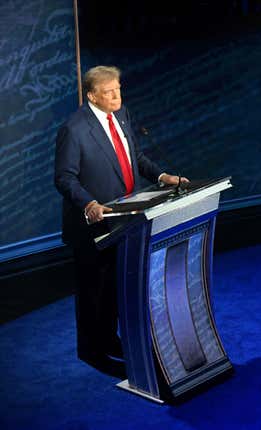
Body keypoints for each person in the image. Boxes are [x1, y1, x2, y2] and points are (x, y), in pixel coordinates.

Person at [54, 65, 186, 376]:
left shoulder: (122, 114)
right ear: (91, 96)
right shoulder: (74, 130)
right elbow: (64, 177)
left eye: (119, 89)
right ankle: (91, 350)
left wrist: (162, 176)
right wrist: (88, 203)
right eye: (109, 91)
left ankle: (109, 338)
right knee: (93, 290)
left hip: (126, 219)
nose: (117, 96)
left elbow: (133, 157)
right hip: (93, 226)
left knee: (115, 286)